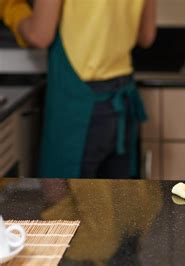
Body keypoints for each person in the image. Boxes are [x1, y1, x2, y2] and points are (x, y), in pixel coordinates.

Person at [2, 0, 156, 178]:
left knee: (63, 199)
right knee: (117, 200)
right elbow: (146, 35)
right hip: (122, 99)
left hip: (78, 102)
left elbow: (40, 35)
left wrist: (11, 9)